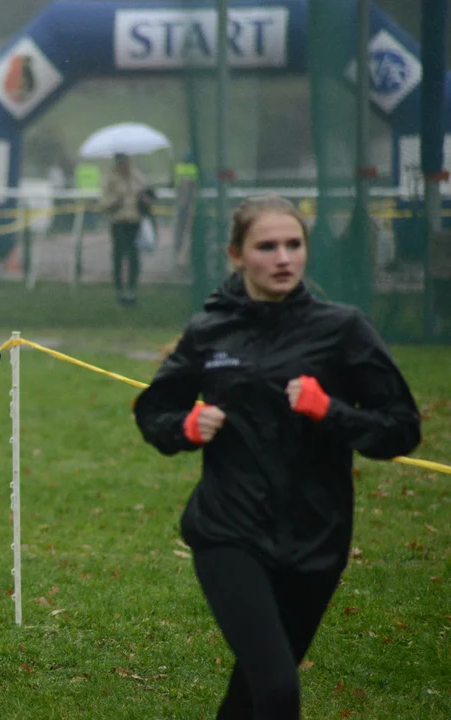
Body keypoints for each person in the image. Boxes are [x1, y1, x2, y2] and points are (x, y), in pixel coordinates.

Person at [133, 194, 421, 719]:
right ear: (237, 255)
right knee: (278, 691)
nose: (283, 257)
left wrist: (330, 411)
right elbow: (154, 412)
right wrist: (186, 426)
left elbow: (401, 429)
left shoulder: (343, 329)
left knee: (253, 690)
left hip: (318, 536)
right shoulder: (209, 332)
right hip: (229, 531)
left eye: (294, 244)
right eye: (267, 246)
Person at [102, 152, 148, 306]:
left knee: (134, 256)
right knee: (119, 256)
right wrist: (117, 199)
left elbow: (144, 193)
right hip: (118, 222)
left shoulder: (137, 177)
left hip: (134, 221)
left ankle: (132, 290)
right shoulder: (110, 178)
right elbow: (104, 203)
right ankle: (120, 291)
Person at [172, 151, 200, 268]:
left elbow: (174, 184)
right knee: (187, 234)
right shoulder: (195, 169)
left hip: (181, 205)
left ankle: (180, 259)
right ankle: (182, 260)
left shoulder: (178, 168)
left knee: (181, 233)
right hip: (189, 206)